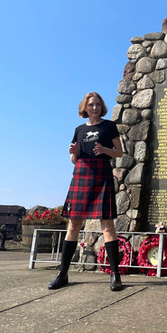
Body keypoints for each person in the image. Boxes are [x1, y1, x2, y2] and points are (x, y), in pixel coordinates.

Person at [48, 92, 123, 291]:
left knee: (107, 225)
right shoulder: (79, 129)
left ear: (102, 106)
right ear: (85, 107)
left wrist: (105, 150)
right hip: (81, 174)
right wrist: (74, 153)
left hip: (101, 174)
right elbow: (74, 160)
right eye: (91, 105)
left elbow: (120, 152)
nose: (95, 108)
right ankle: (62, 274)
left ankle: (116, 275)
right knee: (73, 224)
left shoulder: (109, 126)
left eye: (98, 104)